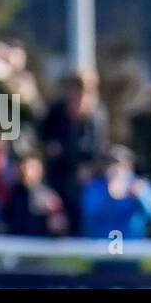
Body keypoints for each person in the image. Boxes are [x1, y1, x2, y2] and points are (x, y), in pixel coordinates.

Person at [40, 70, 108, 231]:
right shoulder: (56, 112)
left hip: (83, 179)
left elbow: (97, 149)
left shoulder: (97, 117)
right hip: (57, 175)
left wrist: (88, 167)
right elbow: (46, 144)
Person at [79, 147, 151, 240]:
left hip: (132, 246)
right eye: (111, 163)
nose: (115, 167)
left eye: (120, 164)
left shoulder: (140, 185)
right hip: (101, 246)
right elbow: (88, 214)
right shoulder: (95, 187)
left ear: (129, 166)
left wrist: (139, 197)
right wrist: (109, 196)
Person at [0, 153, 68, 237]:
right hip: (16, 245)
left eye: (30, 167)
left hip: (39, 246)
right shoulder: (13, 194)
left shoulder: (49, 196)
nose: (25, 171)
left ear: (40, 170)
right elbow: (4, 222)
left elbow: (60, 227)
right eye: (24, 167)